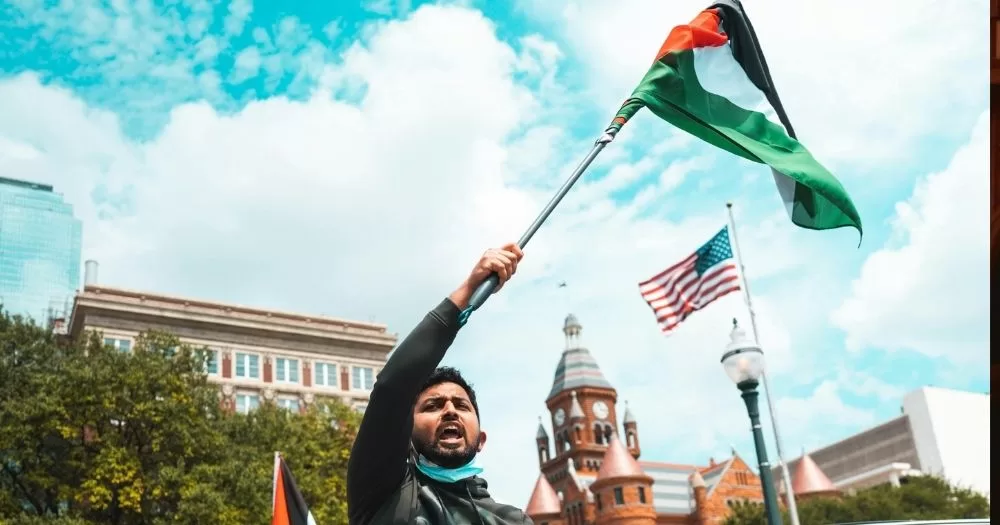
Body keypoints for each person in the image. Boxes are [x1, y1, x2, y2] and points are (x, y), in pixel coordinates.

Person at [347, 243, 533, 525]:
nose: (450, 411)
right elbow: (392, 388)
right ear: (406, 433)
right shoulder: (384, 493)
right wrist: (469, 290)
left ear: (481, 439)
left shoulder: (513, 520)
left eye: (461, 405)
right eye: (432, 406)